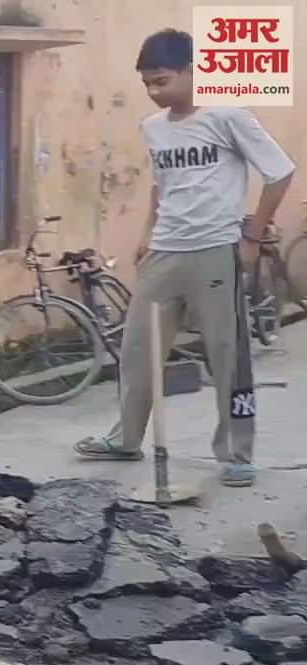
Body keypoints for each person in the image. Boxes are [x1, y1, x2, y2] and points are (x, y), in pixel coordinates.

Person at [74, 29, 294, 488]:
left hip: (216, 251)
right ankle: (126, 439)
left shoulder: (228, 115)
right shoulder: (153, 128)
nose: (155, 93)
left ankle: (237, 453)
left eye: (162, 81)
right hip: (165, 251)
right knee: (137, 351)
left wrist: (252, 235)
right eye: (148, 85)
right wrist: (147, 233)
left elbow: (279, 172)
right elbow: (161, 186)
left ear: (195, 72)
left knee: (228, 357)